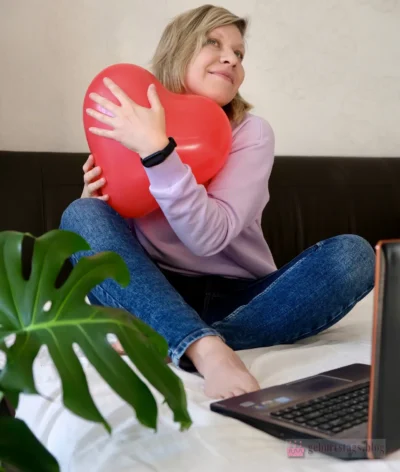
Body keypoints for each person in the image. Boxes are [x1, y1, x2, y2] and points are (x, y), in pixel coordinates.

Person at [60, 4, 375, 400]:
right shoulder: (131, 121)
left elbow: (209, 238)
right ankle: (206, 349)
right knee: (81, 212)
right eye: (214, 43)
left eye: (239, 54)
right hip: (156, 287)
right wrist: (98, 201)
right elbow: (110, 237)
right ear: (179, 50)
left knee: (354, 255)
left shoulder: (251, 133)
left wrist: (159, 153)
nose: (231, 58)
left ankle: (171, 337)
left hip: (241, 296)